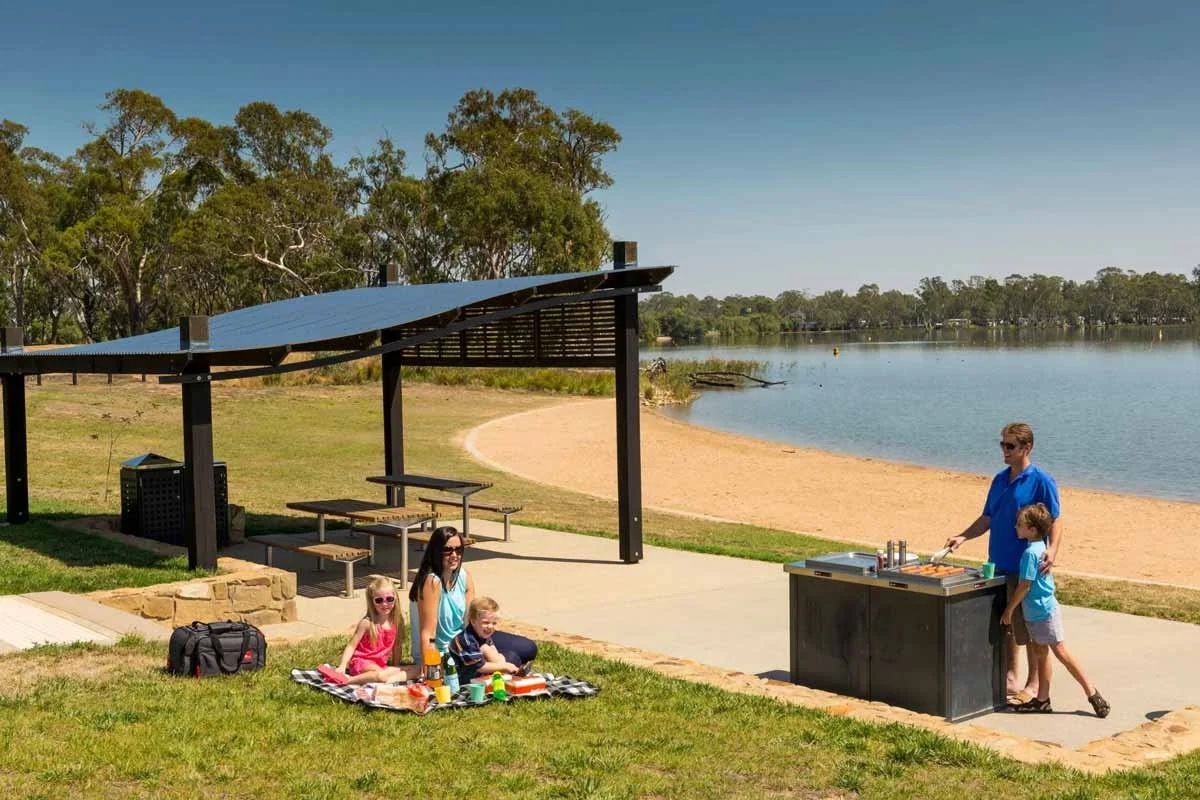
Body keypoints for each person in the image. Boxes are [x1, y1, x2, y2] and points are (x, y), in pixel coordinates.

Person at [944, 422, 1063, 704]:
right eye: (1002, 445)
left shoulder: (1041, 481)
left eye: (1010, 446)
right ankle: (1011, 676)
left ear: (1027, 447)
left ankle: (1034, 684)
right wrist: (963, 536)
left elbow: (1056, 519)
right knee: (1008, 623)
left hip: (1028, 567)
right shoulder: (999, 480)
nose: (1004, 451)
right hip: (998, 562)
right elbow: (987, 518)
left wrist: (1053, 550)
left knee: (1032, 625)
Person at [1002, 503, 1109, 717]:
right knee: (1041, 652)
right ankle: (1043, 700)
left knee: (1060, 652)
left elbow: (1025, 585)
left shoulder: (1031, 554)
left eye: (1019, 524)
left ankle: (1092, 692)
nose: (1015, 527)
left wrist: (1009, 610)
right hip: (1036, 612)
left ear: (1032, 530)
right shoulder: (1040, 547)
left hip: (1043, 612)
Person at [408, 526, 538, 669]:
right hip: (445, 650)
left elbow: (471, 622)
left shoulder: (464, 576)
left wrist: (487, 648)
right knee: (512, 657)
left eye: (458, 550)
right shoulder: (432, 582)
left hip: (466, 639)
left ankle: (491, 663)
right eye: (447, 550)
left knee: (528, 647)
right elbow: (428, 633)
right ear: (436, 551)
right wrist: (430, 668)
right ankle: (492, 665)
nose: (454, 555)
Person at [326, 576, 418, 686]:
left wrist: (396, 665)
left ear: (395, 598)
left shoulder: (396, 622)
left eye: (389, 599)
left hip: (380, 666)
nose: (384, 604)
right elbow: (351, 646)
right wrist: (342, 665)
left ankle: (386, 679)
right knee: (380, 674)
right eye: (379, 600)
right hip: (361, 663)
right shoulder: (367, 623)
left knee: (419, 669)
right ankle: (347, 680)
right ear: (372, 601)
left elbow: (397, 645)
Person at [448, 596, 526, 683]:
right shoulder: (467, 640)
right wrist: (505, 667)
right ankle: (505, 675)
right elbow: (480, 667)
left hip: (480, 666)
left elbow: (494, 654)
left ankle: (508, 673)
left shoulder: (483, 633)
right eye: (485, 622)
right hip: (463, 676)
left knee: (512, 657)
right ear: (473, 621)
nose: (490, 627)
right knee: (508, 663)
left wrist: (500, 661)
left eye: (494, 623)